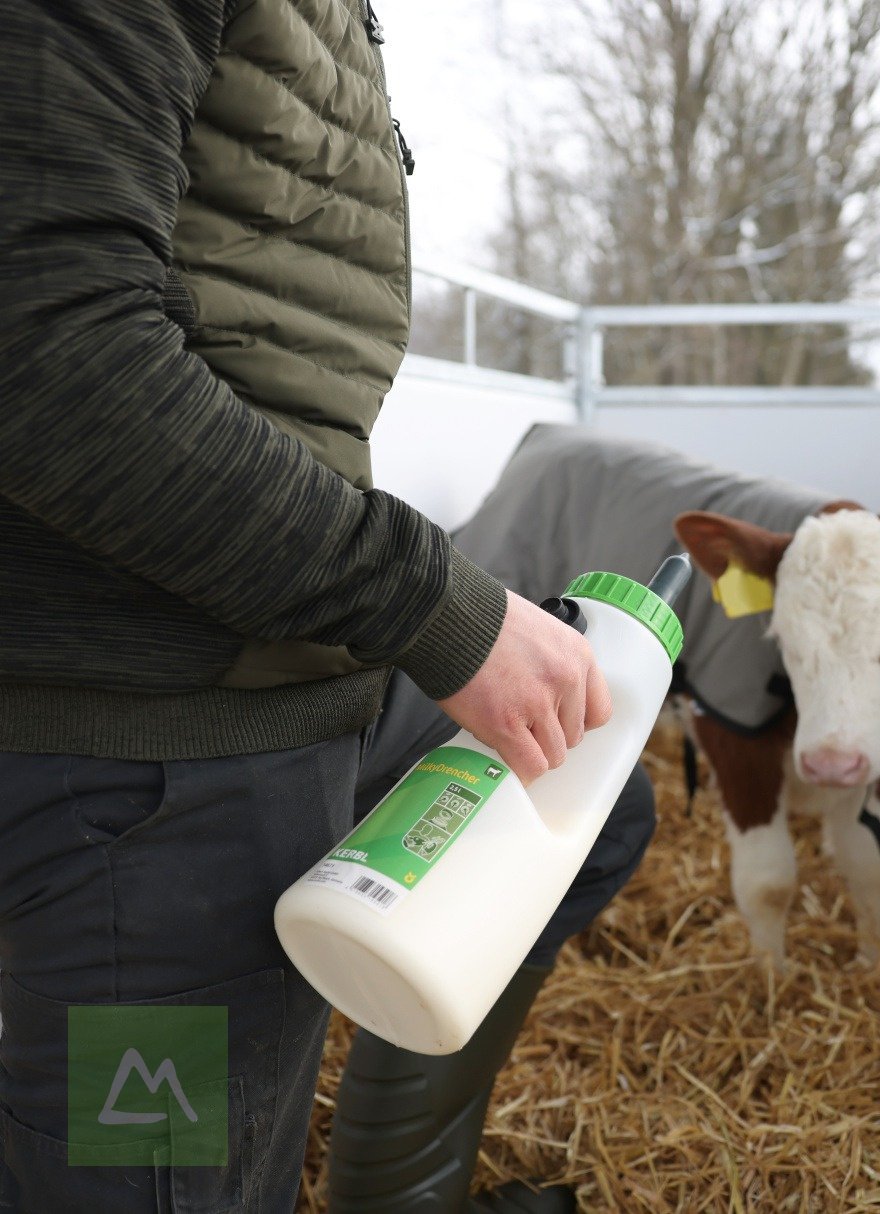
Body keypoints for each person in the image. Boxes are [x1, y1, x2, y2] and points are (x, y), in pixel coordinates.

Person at [0, 2, 655, 1211]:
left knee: (588, 795)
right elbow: (46, 358)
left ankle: (394, 1177)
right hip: (152, 738)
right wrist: (437, 607)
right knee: (158, 1178)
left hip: (286, 654)